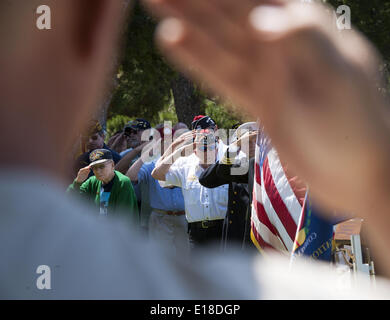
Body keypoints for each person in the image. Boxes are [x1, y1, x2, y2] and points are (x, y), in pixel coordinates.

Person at [2, 0, 390, 299]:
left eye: (206, 134)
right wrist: (376, 178)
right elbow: (205, 175)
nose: (203, 138)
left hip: (226, 238)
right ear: (94, 21)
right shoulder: (200, 164)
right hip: (194, 236)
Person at [152, 129, 229, 251]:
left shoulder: (227, 170)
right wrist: (177, 152)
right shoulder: (186, 169)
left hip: (223, 232)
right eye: (203, 148)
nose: (207, 152)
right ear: (195, 151)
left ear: (217, 149)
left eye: (211, 147)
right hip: (197, 233)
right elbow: (156, 174)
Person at [126, 127, 190, 257]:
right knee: (161, 260)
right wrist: (146, 154)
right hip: (161, 219)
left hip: (185, 218)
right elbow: (130, 177)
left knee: (186, 260)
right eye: (164, 142)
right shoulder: (152, 164)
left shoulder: (187, 163)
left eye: (172, 142)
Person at [199, 122, 258, 251]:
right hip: (236, 235)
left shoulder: (265, 166)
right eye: (247, 142)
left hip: (257, 235)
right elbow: (206, 179)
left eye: (255, 141)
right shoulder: (238, 166)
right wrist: (233, 147)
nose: (252, 145)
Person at [67, 149, 139, 225]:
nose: (98, 171)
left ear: (112, 165)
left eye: (101, 166)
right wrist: (78, 182)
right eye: (94, 167)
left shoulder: (123, 183)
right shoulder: (92, 182)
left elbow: (124, 220)